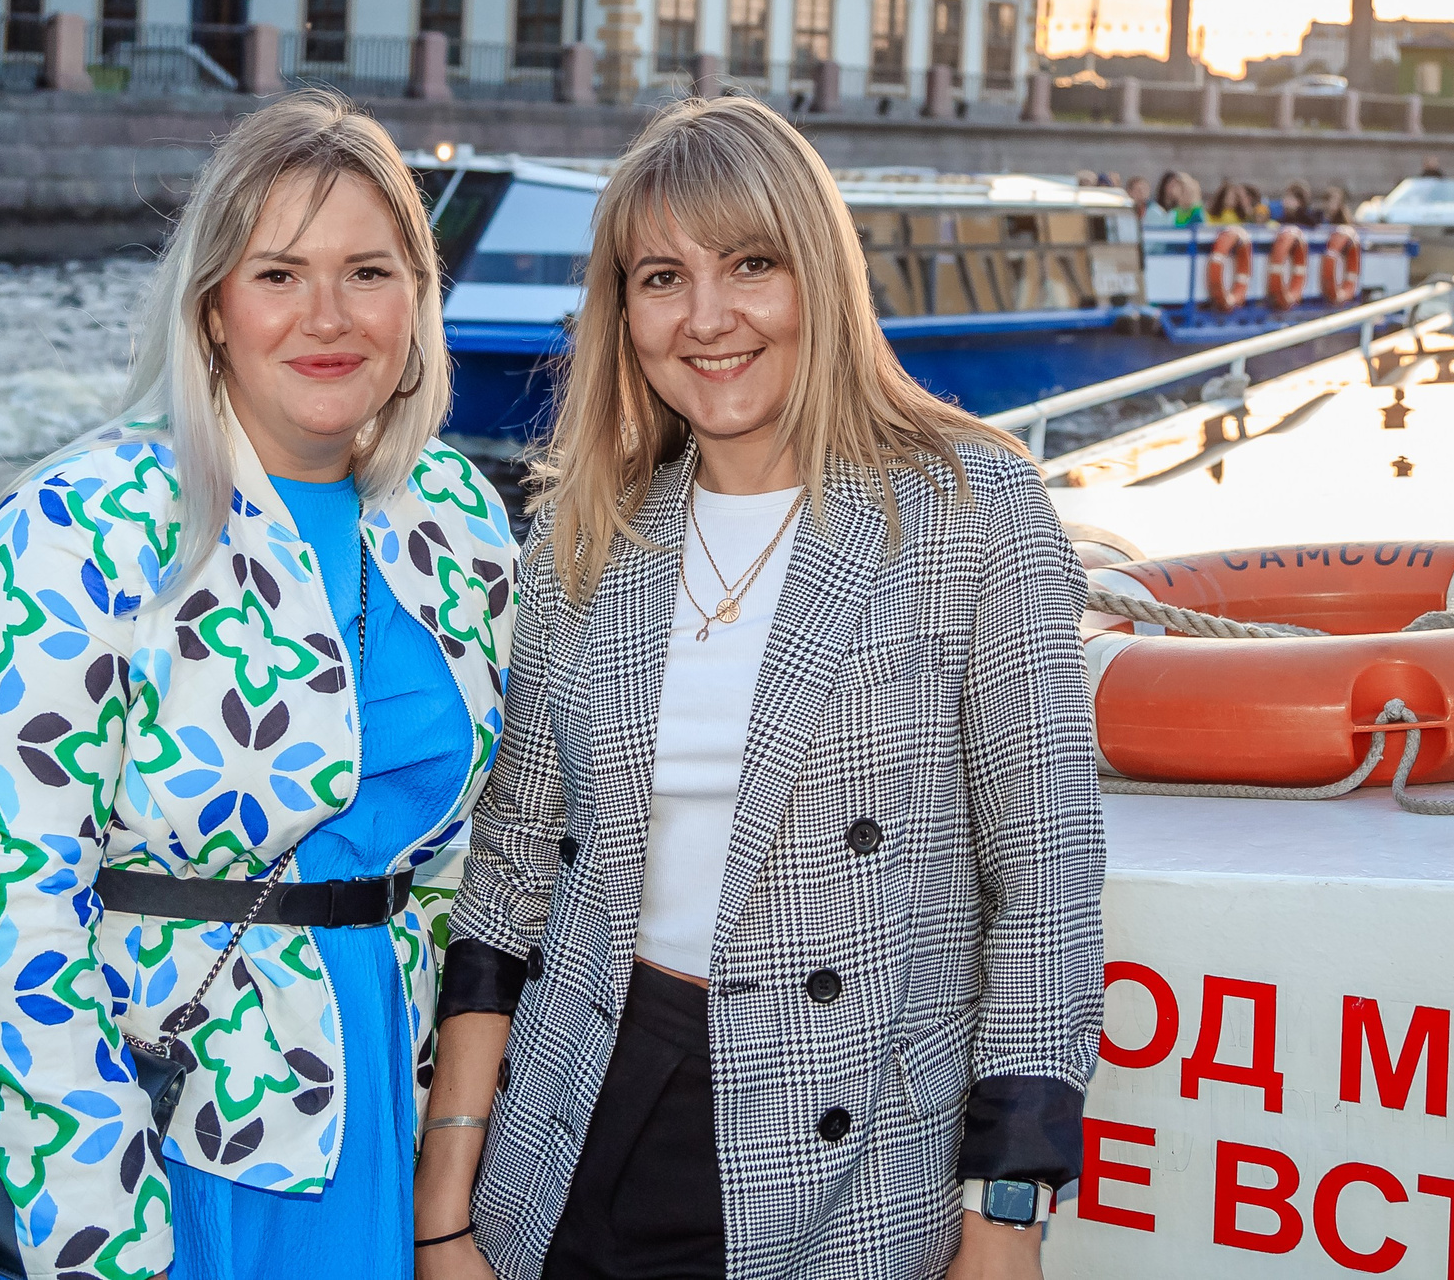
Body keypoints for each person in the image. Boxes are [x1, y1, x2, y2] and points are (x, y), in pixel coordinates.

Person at [414, 97, 1105, 1280]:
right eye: (661, 278)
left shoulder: (973, 513)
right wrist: (446, 1199)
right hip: (572, 1130)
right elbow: (512, 876)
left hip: (851, 1160)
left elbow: (1043, 886)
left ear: (818, 280)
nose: (708, 318)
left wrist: (1003, 1220)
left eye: (750, 265)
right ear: (621, 313)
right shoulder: (586, 543)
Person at [0, 91, 519, 1280]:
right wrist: (105, 1238)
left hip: (390, 1114)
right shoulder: (82, 523)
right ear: (211, 309)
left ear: (417, 301)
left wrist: (461, 1147)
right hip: (167, 1130)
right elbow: (7, 908)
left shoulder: (455, 518)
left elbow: (485, 861)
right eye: (279, 274)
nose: (328, 318)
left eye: (368, 272)